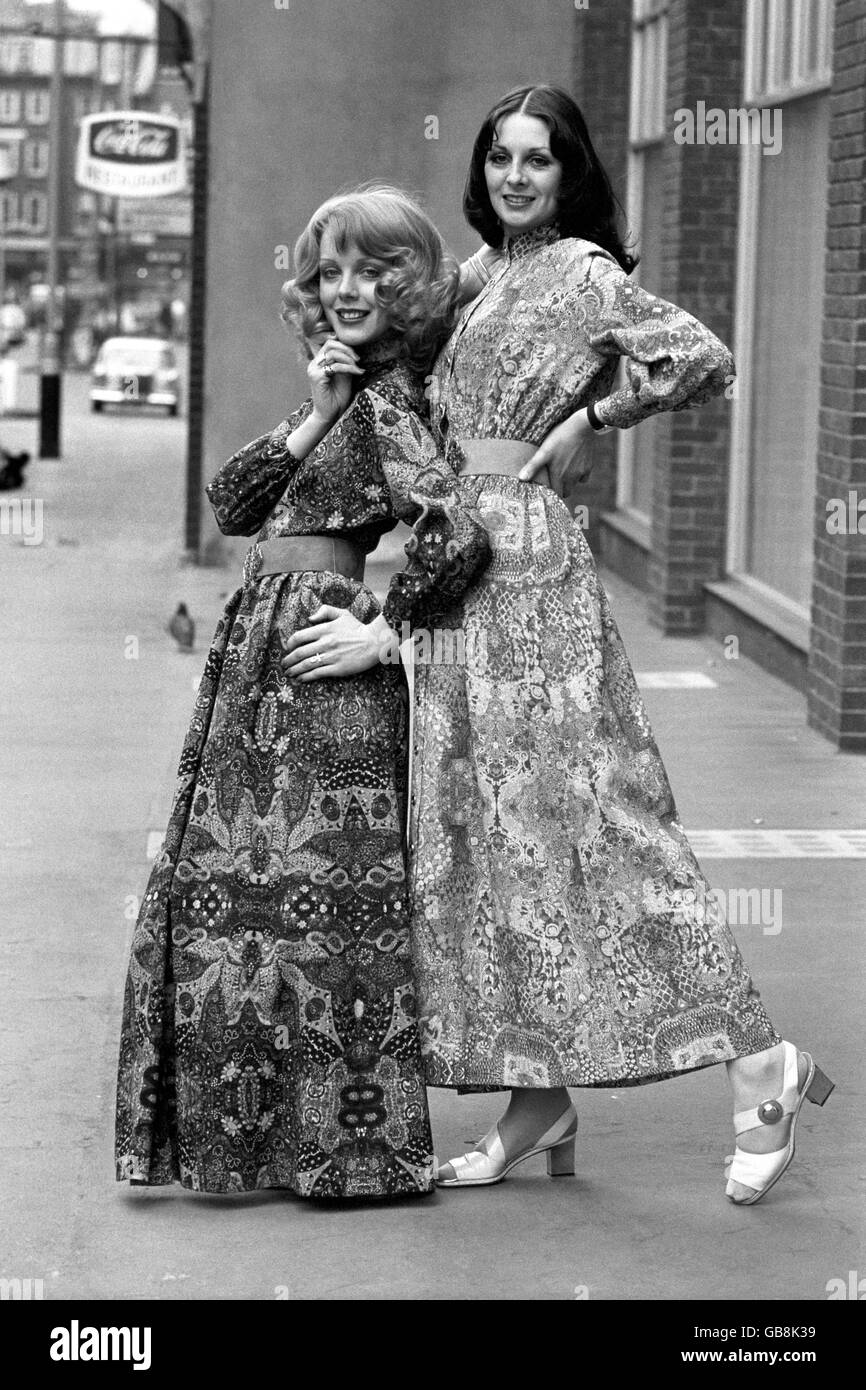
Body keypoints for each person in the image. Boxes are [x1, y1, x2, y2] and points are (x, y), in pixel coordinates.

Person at [287, 87, 833, 1207]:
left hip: (521, 565)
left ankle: (762, 1068)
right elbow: (369, 326)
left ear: (570, 169)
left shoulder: (582, 269)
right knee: (477, 842)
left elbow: (696, 356)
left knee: (596, 824)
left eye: (538, 159)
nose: (516, 176)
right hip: (460, 550)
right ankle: (531, 1095)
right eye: (499, 158)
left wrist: (587, 422)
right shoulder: (482, 277)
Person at [114, 186, 490, 1200]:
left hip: (325, 666)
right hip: (253, 664)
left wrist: (381, 633)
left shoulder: (393, 400)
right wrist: (312, 415)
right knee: (239, 905)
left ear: (408, 280)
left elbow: (455, 535)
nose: (348, 288)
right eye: (330, 271)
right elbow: (231, 501)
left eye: (372, 269)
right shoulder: (339, 392)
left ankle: (346, 1153)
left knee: (328, 917)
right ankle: (253, 1141)